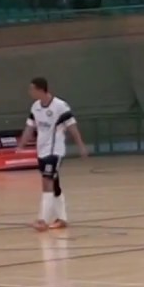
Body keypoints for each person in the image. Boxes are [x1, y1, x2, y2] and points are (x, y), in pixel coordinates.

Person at [18, 77, 88, 231]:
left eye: (32, 89)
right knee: (54, 184)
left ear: (40, 89)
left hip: (55, 151)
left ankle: (42, 220)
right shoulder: (35, 107)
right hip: (41, 150)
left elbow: (72, 127)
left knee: (47, 181)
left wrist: (81, 145)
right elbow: (29, 127)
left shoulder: (60, 106)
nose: (30, 92)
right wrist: (21, 145)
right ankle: (62, 219)